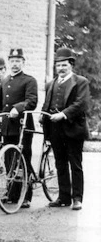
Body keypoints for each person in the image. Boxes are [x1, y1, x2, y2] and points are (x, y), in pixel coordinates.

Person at [42, 48, 90, 211]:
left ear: (71, 65)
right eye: (58, 65)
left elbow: (81, 104)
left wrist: (63, 114)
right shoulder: (51, 83)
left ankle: (77, 198)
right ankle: (63, 197)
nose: (60, 68)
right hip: (55, 130)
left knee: (75, 164)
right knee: (60, 163)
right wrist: (43, 118)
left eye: (64, 65)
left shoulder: (81, 81)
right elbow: (47, 104)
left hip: (73, 129)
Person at [0, 48, 38, 208]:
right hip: (8, 127)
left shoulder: (29, 80)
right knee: (9, 160)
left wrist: (18, 108)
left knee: (23, 160)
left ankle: (26, 196)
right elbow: (2, 104)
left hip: (23, 126)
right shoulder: (5, 81)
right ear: (9, 62)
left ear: (23, 62)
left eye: (18, 61)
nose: (15, 64)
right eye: (12, 61)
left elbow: (32, 101)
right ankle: (12, 193)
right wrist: (0, 116)